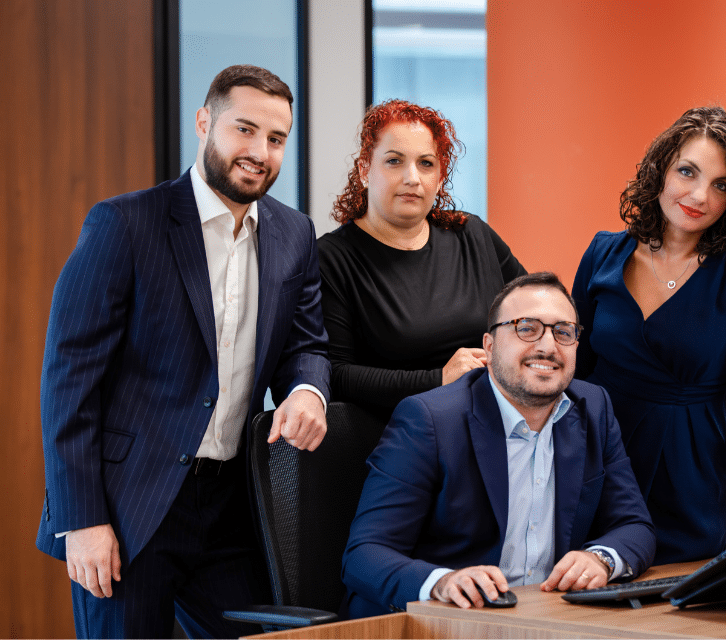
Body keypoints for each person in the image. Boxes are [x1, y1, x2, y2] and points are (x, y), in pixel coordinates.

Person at [36, 65, 330, 639]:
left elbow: (306, 342)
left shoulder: (295, 234)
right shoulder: (125, 224)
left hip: (232, 507)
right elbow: (68, 381)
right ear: (204, 122)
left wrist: (307, 388)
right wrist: (82, 519)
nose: (260, 152)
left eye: (276, 139)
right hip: (129, 507)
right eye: (244, 129)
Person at [341, 273, 655, 618]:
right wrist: (443, 582)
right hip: (442, 622)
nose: (548, 347)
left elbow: (635, 526)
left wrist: (600, 559)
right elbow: (364, 554)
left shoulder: (593, 407)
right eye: (526, 328)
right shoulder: (429, 419)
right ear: (489, 347)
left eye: (563, 332)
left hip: (549, 616)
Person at [572, 106, 726, 565]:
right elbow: (575, 368)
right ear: (660, 171)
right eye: (687, 171)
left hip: (688, 462)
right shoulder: (603, 251)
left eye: (721, 185)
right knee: (583, 587)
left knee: (674, 605)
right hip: (597, 454)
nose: (699, 195)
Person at [317, 100, 526, 417]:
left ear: (440, 177)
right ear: (364, 170)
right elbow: (336, 375)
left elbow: (534, 311)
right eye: (394, 161)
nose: (412, 177)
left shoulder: (473, 235)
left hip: (493, 424)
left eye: (426, 164)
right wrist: (439, 378)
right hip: (399, 439)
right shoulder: (333, 259)